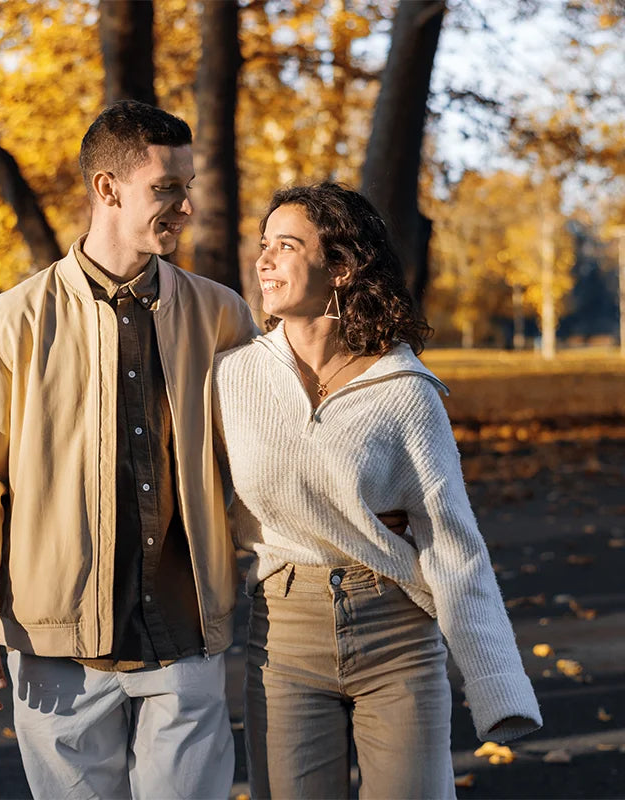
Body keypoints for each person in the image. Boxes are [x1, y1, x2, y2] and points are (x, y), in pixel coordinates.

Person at [0, 100, 257, 800]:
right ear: (108, 190)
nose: (186, 206)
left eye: (187, 186)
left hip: (188, 631)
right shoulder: (12, 321)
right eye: (166, 188)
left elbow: (260, 462)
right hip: (58, 650)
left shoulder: (222, 314)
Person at [213, 182, 542, 799]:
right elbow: (198, 498)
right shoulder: (232, 377)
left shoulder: (404, 390)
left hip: (396, 633)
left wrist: (498, 686)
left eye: (286, 246)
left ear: (339, 266)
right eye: (263, 245)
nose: (263, 261)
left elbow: (451, 542)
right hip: (283, 634)